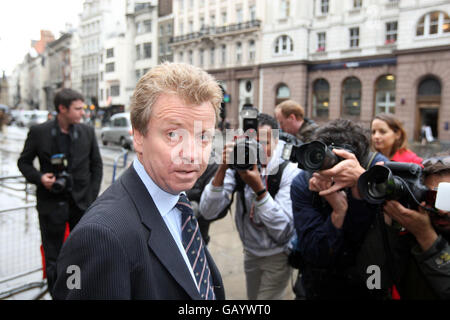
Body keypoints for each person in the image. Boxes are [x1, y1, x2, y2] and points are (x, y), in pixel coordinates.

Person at [53, 62, 225, 300]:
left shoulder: (179, 203)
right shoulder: (101, 236)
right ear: (138, 137)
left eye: (203, 136)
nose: (192, 154)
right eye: (173, 135)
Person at [200, 113, 301, 300]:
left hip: (278, 255)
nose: (259, 150)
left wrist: (259, 190)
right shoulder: (240, 160)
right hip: (250, 253)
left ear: (277, 141)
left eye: (265, 143)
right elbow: (207, 211)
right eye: (253, 143)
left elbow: (284, 231)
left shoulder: (288, 169)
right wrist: (222, 168)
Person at [17, 88, 103, 297]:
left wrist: (90, 198)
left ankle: (76, 293)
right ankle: (57, 293)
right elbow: (24, 162)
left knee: (80, 252)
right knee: (53, 255)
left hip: (81, 205)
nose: (83, 113)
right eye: (78, 109)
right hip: (51, 205)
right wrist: (40, 179)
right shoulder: (39, 132)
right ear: (62, 109)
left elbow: (97, 166)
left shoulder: (87, 132)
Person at [290, 119, 389, 299]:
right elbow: (314, 252)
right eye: (327, 159)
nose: (334, 168)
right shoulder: (304, 181)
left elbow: (393, 235)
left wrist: (363, 185)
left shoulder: (376, 169)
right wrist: (338, 211)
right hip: (319, 285)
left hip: (369, 282)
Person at [382, 151, 450, 299]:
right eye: (433, 198)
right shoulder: (409, 237)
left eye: (448, 198)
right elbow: (375, 281)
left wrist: (426, 236)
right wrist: (387, 223)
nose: (442, 210)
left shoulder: (420, 232)